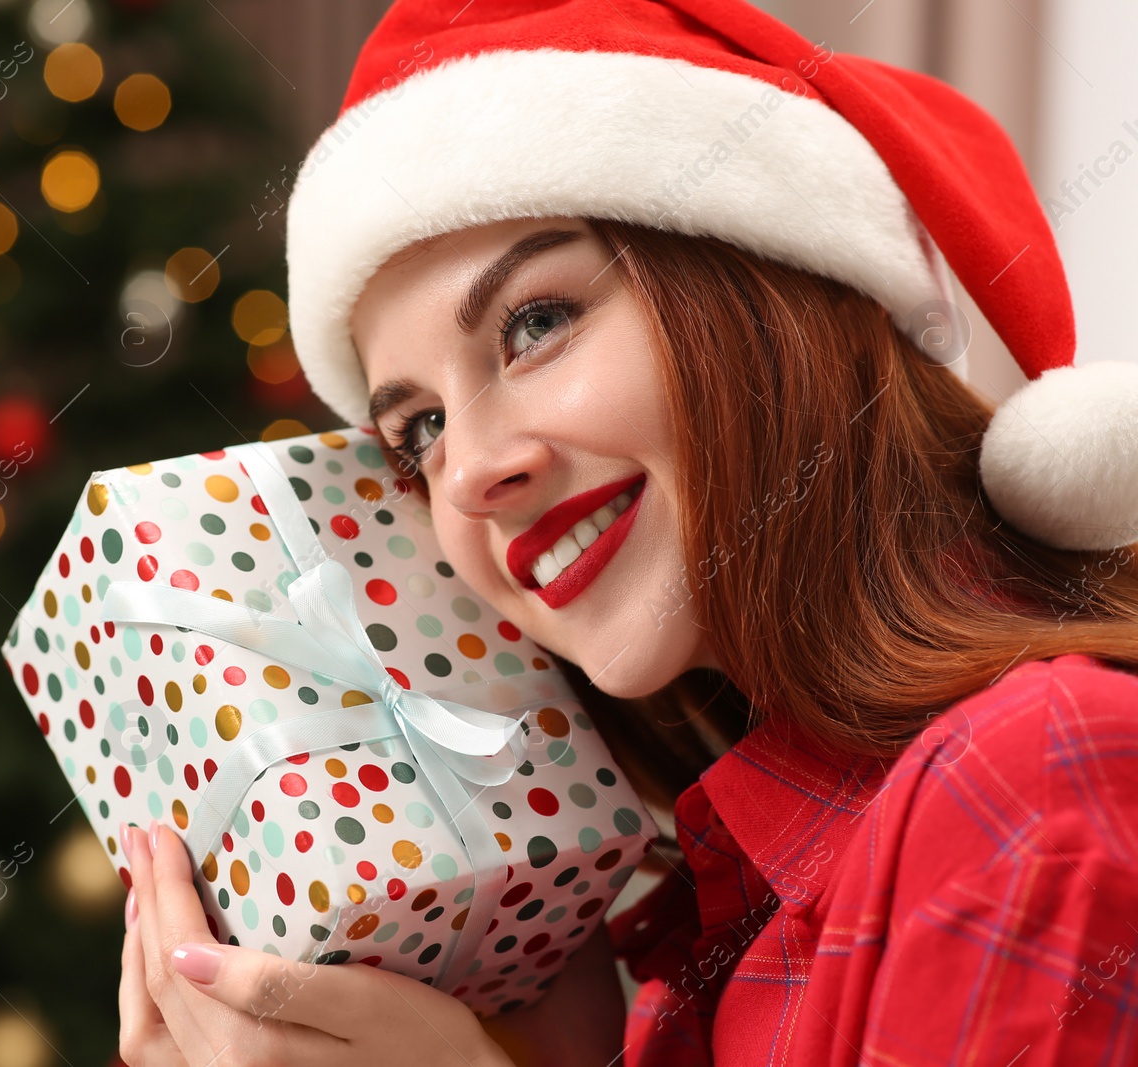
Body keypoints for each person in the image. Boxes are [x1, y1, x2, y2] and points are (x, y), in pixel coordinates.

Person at [115, 1, 1138, 1064]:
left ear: (766, 286)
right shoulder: (705, 921)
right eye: (419, 428)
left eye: (536, 323)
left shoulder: (1036, 775)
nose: (466, 472)